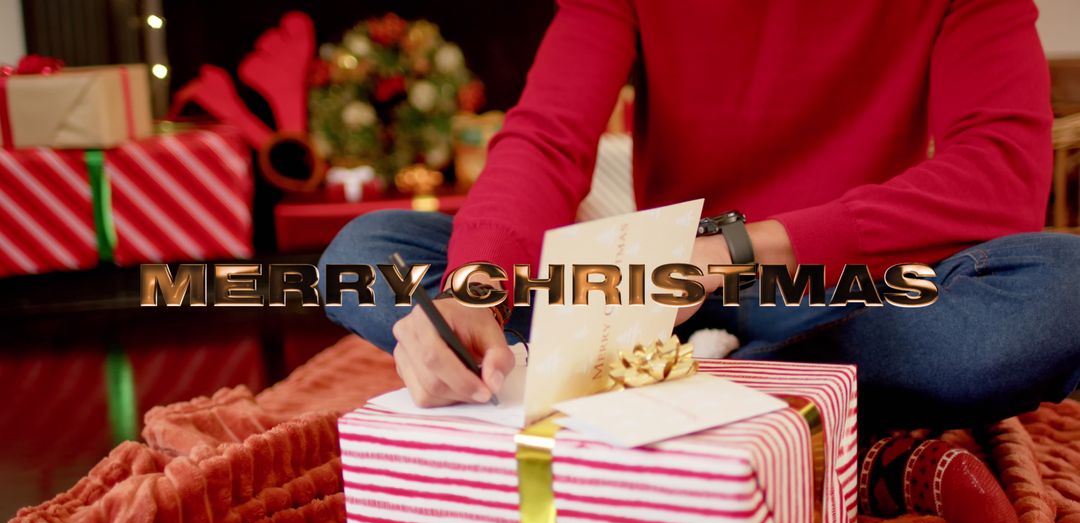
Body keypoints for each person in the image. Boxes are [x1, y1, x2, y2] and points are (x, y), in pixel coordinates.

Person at [320, 0, 1080, 431]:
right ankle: (796, 402)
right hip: (651, 300)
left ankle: (642, 387)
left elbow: (1002, 171)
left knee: (1063, 286)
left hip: (845, 296)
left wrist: (726, 248)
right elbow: (547, 137)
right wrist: (477, 286)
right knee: (368, 252)